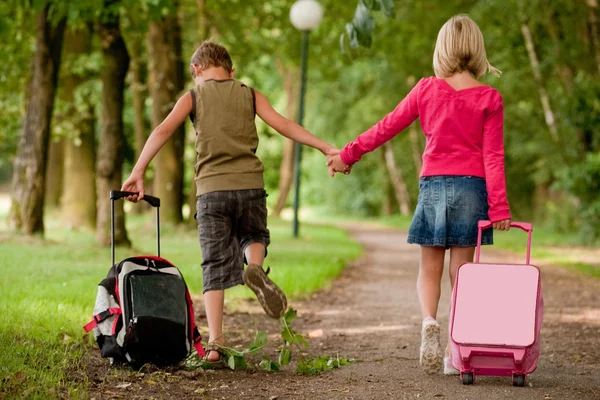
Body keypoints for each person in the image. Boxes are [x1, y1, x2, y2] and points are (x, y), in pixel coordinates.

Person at [121, 40, 338, 366]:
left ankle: (216, 345)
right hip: (250, 185)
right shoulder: (249, 93)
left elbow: (163, 130)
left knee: (214, 266)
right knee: (254, 235)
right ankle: (253, 268)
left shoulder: (193, 96)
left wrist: (138, 171)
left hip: (212, 192)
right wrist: (326, 148)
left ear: (196, 70)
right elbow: (284, 125)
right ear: (230, 71)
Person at [327, 14, 512, 375]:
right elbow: (493, 156)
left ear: (441, 49)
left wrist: (347, 154)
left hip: (433, 186)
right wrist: (500, 206)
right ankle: (459, 350)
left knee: (429, 269)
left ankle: (429, 321)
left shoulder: (426, 89)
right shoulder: (489, 98)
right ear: (477, 49)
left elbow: (386, 126)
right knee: (463, 274)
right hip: (472, 189)